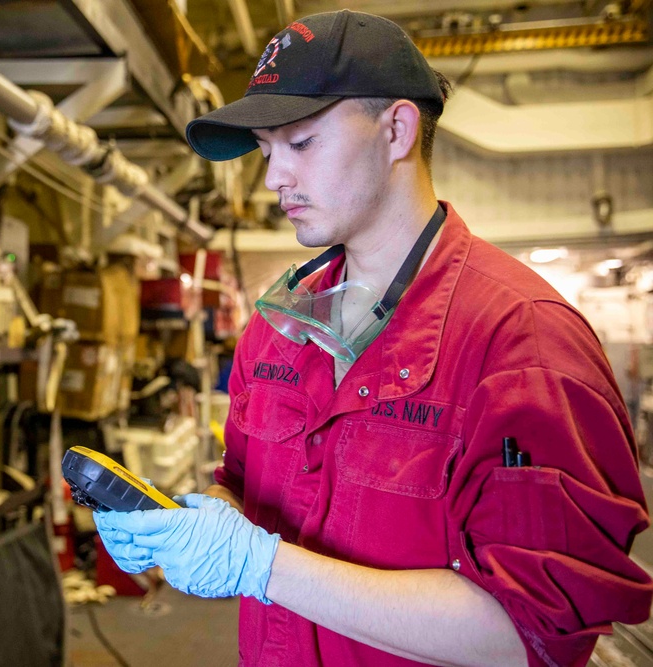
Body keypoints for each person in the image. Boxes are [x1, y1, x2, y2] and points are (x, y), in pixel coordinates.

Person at [93, 9, 653, 667]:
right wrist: (185, 522)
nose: (274, 178)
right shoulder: (276, 330)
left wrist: (261, 566)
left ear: (396, 129)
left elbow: (530, 631)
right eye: (268, 151)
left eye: (300, 143)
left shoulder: (522, 344)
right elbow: (241, 487)